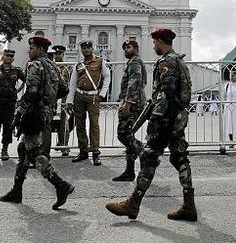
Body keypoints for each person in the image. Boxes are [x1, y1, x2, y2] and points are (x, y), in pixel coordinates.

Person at [106, 28, 197, 222]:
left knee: (148, 157)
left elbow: (167, 92)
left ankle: (133, 203)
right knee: (180, 158)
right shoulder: (178, 60)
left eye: (155, 42)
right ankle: (189, 204)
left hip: (166, 118)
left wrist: (155, 119)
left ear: (160, 42)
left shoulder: (166, 61)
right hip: (177, 117)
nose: (153, 46)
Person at [0, 36, 74, 210]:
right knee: (23, 149)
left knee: (33, 153)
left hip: (33, 112)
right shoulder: (53, 66)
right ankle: (16, 191)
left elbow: (31, 92)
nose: (29, 51)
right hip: (46, 112)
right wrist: (48, 98)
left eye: (32, 48)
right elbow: (64, 89)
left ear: (40, 49)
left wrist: (19, 113)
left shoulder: (34, 65)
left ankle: (60, 185)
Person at [65, 40, 110, 166]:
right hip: (79, 96)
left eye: (88, 47)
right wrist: (69, 101)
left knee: (94, 124)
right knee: (80, 124)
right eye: (83, 48)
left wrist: (102, 94)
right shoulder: (78, 65)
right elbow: (73, 83)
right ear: (81, 49)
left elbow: (107, 77)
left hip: (93, 97)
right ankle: (83, 151)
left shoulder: (100, 61)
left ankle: (95, 152)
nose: (86, 50)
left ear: (92, 48)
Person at [112, 39, 146, 182]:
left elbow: (135, 82)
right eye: (125, 47)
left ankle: (145, 154)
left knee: (123, 133)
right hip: (131, 102)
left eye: (129, 47)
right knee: (128, 134)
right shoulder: (132, 61)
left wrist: (128, 103)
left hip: (133, 104)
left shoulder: (135, 62)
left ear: (136, 48)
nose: (126, 49)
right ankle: (130, 171)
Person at [51, 44, 73, 157]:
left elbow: (70, 84)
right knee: (48, 123)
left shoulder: (67, 67)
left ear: (63, 54)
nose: (57, 55)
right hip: (51, 99)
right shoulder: (50, 66)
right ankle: (46, 145)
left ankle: (64, 145)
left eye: (59, 53)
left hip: (62, 99)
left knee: (63, 123)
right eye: (56, 53)